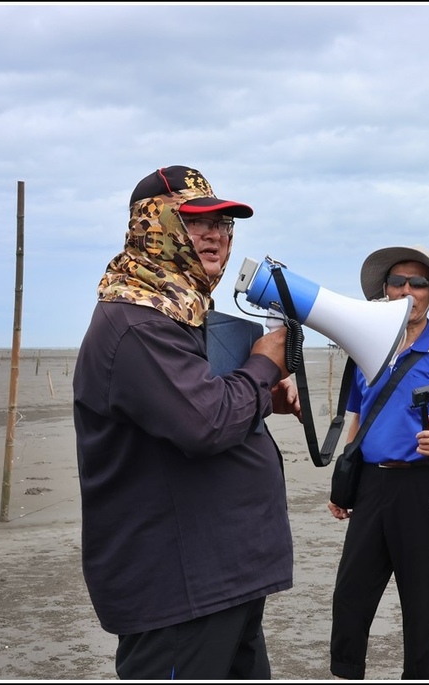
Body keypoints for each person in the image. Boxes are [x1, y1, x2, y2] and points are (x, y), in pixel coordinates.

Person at [73, 166, 302, 680]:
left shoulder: (178, 312)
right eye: (195, 222)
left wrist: (262, 398)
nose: (215, 234)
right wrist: (264, 364)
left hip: (221, 578)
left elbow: (204, 400)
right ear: (153, 228)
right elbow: (207, 424)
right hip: (179, 589)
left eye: (222, 223)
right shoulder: (136, 321)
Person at [327, 244, 429, 680]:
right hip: (372, 488)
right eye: (398, 281)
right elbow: (356, 423)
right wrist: (346, 483)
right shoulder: (363, 351)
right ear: (385, 290)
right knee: (350, 599)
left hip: (425, 490)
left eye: (419, 282)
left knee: (422, 608)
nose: (408, 290)